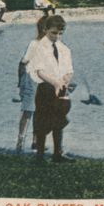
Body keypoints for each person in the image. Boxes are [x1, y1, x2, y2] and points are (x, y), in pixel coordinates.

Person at [26, 15, 75, 163]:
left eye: (60, 33)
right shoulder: (40, 47)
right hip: (45, 87)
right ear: (46, 30)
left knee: (58, 119)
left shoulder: (65, 49)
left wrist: (64, 80)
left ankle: (57, 153)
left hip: (60, 87)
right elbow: (39, 71)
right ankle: (40, 155)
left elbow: (69, 70)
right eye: (53, 33)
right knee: (43, 120)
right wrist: (54, 83)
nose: (57, 37)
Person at [16, 16, 48, 152]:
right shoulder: (34, 44)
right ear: (44, 29)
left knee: (40, 112)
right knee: (28, 111)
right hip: (30, 80)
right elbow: (22, 63)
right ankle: (20, 140)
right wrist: (20, 82)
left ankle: (36, 142)